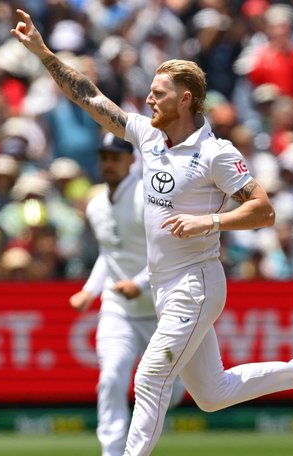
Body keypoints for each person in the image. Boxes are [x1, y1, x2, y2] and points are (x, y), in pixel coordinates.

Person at [12, 10, 293, 456]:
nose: (149, 101)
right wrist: (43, 53)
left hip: (195, 284)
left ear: (186, 99)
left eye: (159, 95)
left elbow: (264, 210)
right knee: (213, 394)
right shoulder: (147, 136)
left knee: (149, 377)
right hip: (165, 285)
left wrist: (209, 221)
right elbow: (90, 98)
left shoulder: (216, 154)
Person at [68, 133, 186, 456]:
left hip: (161, 310)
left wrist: (139, 283)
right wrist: (89, 291)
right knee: (112, 377)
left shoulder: (147, 199)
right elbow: (109, 255)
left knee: (170, 389)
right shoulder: (95, 206)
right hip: (118, 309)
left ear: (131, 161)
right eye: (104, 157)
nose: (108, 163)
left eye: (115, 157)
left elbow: (166, 254)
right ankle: (112, 451)